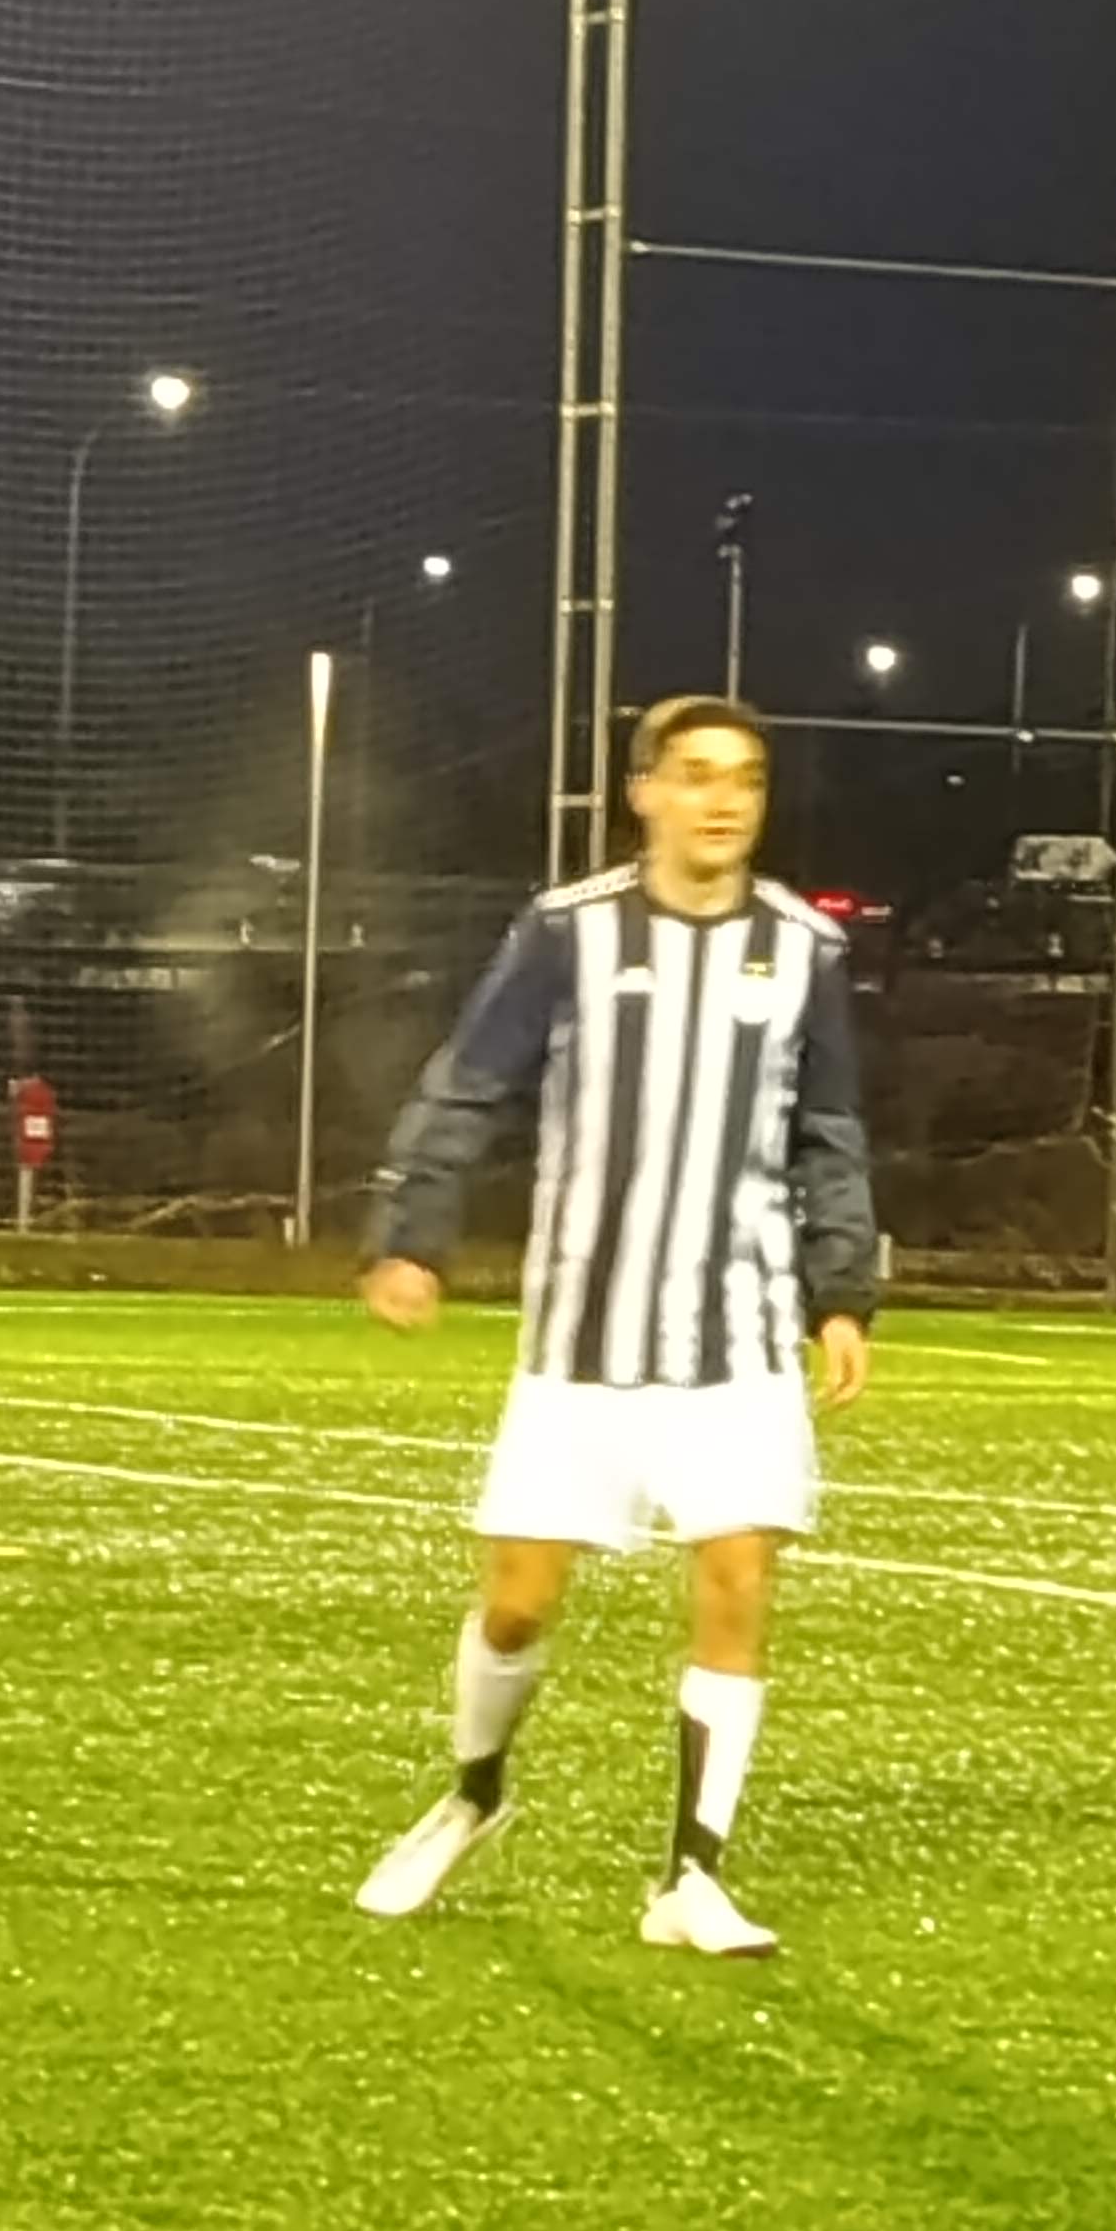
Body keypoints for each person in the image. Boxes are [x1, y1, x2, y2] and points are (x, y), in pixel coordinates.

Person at [350, 694, 877, 1954]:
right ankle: (476, 1792)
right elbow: (468, 1086)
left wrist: (842, 1291)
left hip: (738, 1327)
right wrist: (412, 1234)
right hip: (584, 1332)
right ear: (644, 794)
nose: (723, 800)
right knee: (520, 1603)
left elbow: (829, 1132)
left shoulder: (804, 947)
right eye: (695, 775)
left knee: (738, 1576)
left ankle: (692, 1876)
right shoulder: (567, 932)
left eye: (744, 778)